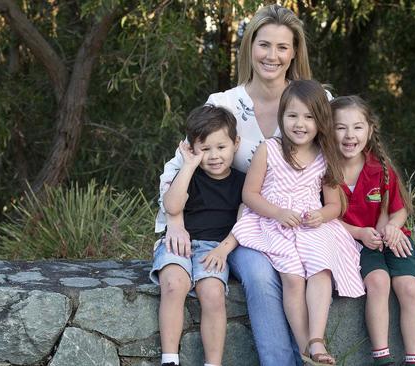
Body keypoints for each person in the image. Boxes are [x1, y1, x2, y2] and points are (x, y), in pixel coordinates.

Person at [155, 4, 316, 365]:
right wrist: (176, 221)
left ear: (294, 53)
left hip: (298, 224)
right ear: (250, 48)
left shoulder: (312, 102)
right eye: (263, 44)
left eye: (282, 47)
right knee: (259, 275)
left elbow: (343, 163)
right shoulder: (224, 103)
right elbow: (179, 166)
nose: (271, 56)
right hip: (242, 228)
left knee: (300, 272)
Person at [232, 80, 365, 366]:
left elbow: (334, 204)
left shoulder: (324, 156)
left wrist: (323, 215)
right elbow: (249, 194)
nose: (300, 124)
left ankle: (316, 340)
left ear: (321, 121)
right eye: (292, 116)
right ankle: (308, 348)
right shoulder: (269, 150)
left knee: (321, 269)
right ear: (282, 117)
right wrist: (277, 212)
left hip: (311, 226)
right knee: (292, 278)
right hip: (275, 223)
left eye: (309, 117)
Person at [331, 96, 415, 366]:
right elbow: (325, 220)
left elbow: (401, 208)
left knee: (409, 287)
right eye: (340, 127)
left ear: (369, 130)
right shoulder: (326, 171)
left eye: (357, 127)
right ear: (328, 130)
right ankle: (382, 358)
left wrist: (392, 226)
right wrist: (360, 233)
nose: (349, 135)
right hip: (357, 244)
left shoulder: (380, 168)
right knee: (378, 283)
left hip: (392, 239)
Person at [149, 105, 245, 366]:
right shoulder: (188, 175)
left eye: (221, 147)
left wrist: (223, 250)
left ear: (236, 143)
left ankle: (213, 363)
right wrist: (189, 166)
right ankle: (169, 359)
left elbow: (244, 223)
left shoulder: (242, 182)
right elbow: (172, 206)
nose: (213, 156)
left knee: (213, 292)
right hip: (178, 242)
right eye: (204, 149)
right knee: (174, 284)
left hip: (215, 247)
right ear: (192, 149)